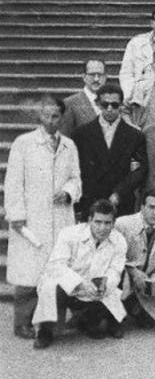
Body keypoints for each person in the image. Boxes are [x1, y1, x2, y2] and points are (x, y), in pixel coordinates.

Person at [4, 96, 84, 340]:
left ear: (62, 117)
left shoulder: (69, 145)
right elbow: (13, 182)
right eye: (46, 115)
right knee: (29, 273)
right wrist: (16, 214)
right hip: (32, 218)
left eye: (55, 116)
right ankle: (23, 322)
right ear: (39, 116)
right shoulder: (24, 143)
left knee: (57, 270)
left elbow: (76, 178)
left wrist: (69, 192)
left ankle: (50, 323)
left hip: (60, 217)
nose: (50, 121)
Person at [31, 201, 126, 348]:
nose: (102, 228)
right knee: (51, 287)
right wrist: (80, 283)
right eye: (98, 222)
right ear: (89, 220)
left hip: (95, 288)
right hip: (68, 285)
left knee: (101, 322)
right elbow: (56, 265)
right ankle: (45, 330)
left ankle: (86, 321)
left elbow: (116, 270)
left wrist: (104, 284)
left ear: (113, 223)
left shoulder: (119, 241)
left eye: (107, 223)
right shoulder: (69, 234)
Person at [70, 83, 147, 219]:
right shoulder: (81, 134)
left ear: (121, 105)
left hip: (122, 204)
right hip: (91, 202)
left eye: (115, 105)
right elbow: (75, 169)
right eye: (105, 104)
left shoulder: (135, 136)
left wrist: (119, 193)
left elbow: (140, 170)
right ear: (98, 104)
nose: (110, 109)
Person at [114, 193, 155, 329]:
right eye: (151, 207)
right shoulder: (123, 224)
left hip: (149, 276)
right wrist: (133, 272)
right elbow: (113, 257)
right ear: (142, 207)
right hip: (124, 273)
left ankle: (139, 310)